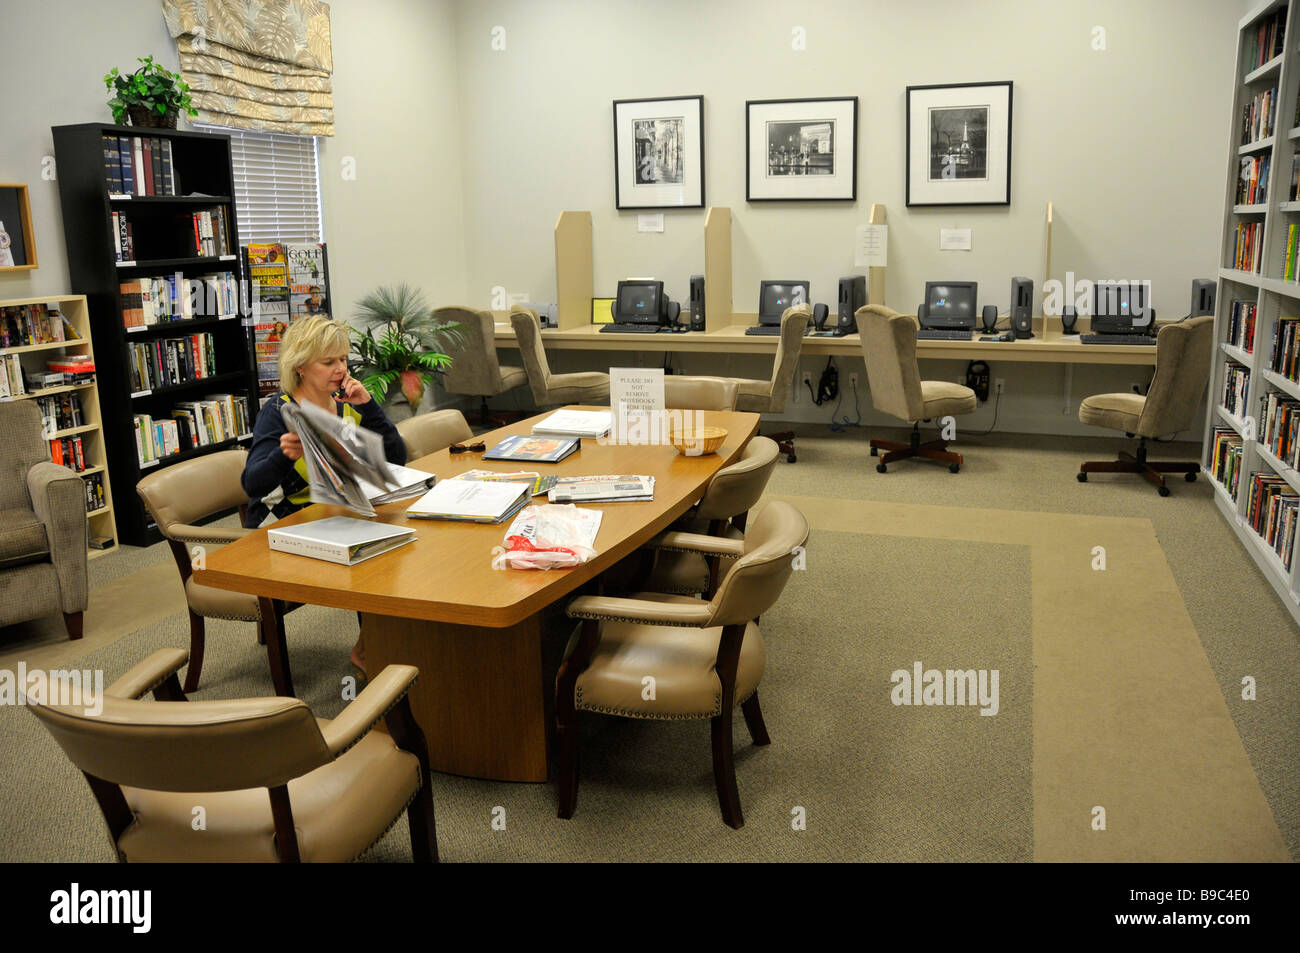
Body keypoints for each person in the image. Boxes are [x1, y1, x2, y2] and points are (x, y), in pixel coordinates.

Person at [241, 315, 406, 529]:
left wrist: (369, 406)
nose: (341, 369)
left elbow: (396, 460)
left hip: (338, 518)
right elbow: (253, 485)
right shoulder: (279, 411)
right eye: (328, 362)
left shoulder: (347, 402)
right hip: (283, 525)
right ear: (300, 365)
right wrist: (284, 456)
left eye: (343, 359)